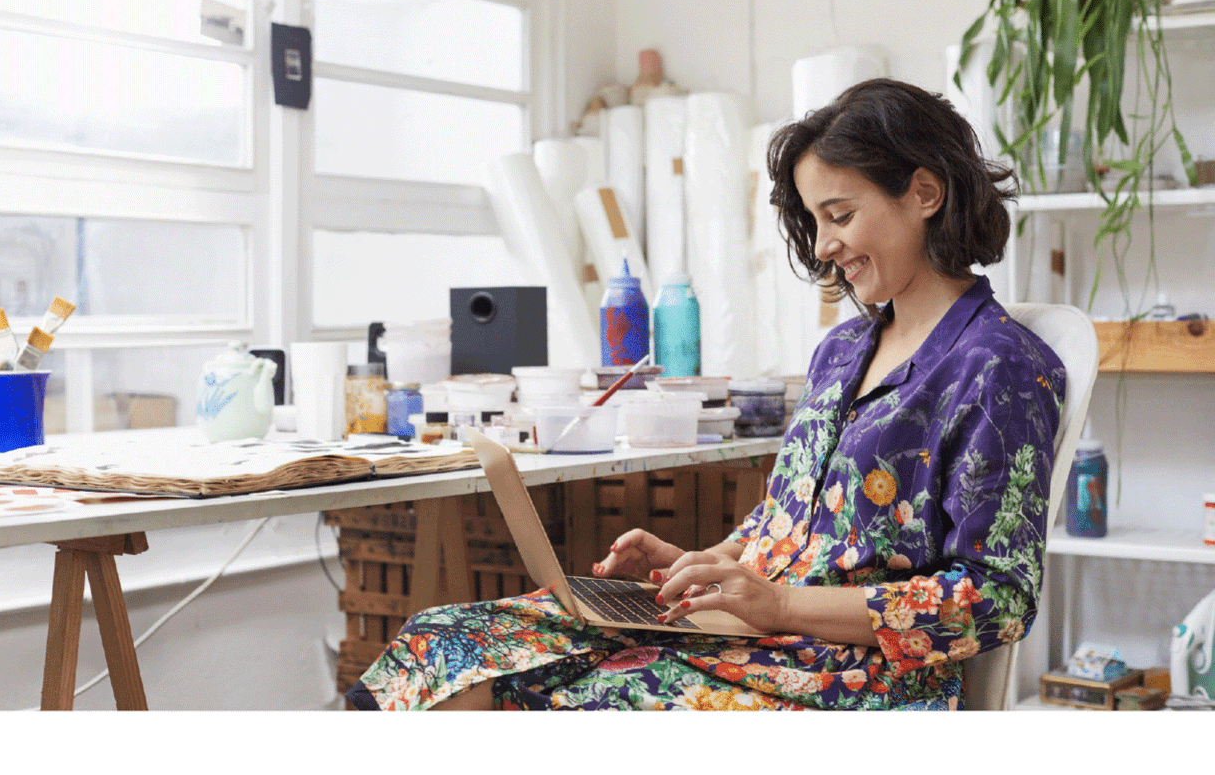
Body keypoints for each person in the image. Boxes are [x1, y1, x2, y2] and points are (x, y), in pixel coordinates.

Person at [346, 78, 1066, 711]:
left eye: (839, 216)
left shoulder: (999, 368)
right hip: (753, 631)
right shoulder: (843, 350)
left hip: (843, 675)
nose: (820, 247)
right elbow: (788, 521)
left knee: (547, 689)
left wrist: (779, 602)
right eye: (813, 222)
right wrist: (698, 560)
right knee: (444, 641)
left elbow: (996, 601)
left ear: (925, 192)